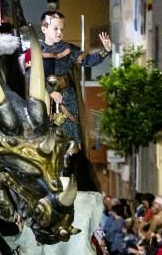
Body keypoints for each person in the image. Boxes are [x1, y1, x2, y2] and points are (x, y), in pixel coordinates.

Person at [25, 11, 112, 155]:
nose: (60, 32)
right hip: (43, 98)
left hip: (68, 98)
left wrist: (105, 51)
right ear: (44, 29)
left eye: (61, 29)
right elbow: (30, 76)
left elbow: (88, 61)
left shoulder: (69, 49)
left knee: (70, 139)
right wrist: (50, 92)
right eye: (56, 29)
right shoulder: (34, 51)